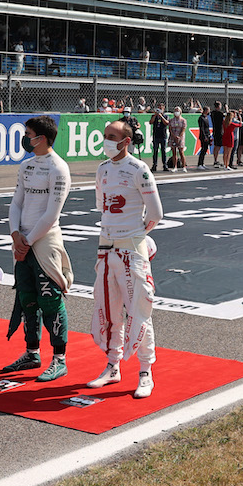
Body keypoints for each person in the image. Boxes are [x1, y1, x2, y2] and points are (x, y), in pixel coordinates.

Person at [88, 117, 162, 399]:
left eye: (111, 135)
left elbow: (155, 214)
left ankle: (145, 372)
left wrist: (134, 236)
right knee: (109, 310)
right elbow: (101, 207)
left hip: (132, 249)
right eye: (105, 134)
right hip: (105, 248)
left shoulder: (139, 169)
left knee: (139, 309)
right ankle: (112, 365)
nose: (106, 140)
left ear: (126, 141)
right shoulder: (103, 169)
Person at [4, 115, 72, 382]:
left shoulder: (59, 168)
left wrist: (27, 241)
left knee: (50, 300)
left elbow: (52, 214)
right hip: (22, 243)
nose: (25, 138)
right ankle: (32, 353)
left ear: (41, 138)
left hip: (44, 243)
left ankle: (59, 359)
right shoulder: (27, 166)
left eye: (28, 133)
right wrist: (14, 235)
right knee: (27, 300)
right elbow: (16, 203)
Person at [149, 107, 169, 172]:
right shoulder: (154, 116)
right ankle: (154, 165)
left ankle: (165, 165)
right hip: (156, 136)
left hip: (163, 136)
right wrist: (155, 115)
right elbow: (150, 122)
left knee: (163, 151)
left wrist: (161, 116)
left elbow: (166, 123)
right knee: (155, 151)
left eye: (161, 109)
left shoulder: (165, 116)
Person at [167, 107, 186, 173]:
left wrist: (179, 136)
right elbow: (170, 129)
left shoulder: (183, 120)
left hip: (180, 137)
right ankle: (175, 167)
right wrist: (174, 136)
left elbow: (183, 129)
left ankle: (184, 166)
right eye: (175, 111)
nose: (176, 112)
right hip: (173, 137)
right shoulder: (171, 120)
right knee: (174, 152)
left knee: (181, 152)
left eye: (177, 111)